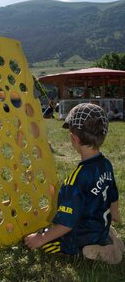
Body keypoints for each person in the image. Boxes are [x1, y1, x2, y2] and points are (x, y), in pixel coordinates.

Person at [25, 103, 124, 264]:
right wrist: (115, 214)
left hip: (83, 235)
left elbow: (66, 224)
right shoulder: (106, 164)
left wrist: (40, 238)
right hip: (100, 226)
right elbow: (113, 193)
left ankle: (101, 251)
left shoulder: (75, 180)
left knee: (50, 245)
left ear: (74, 138)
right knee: (95, 228)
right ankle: (107, 238)